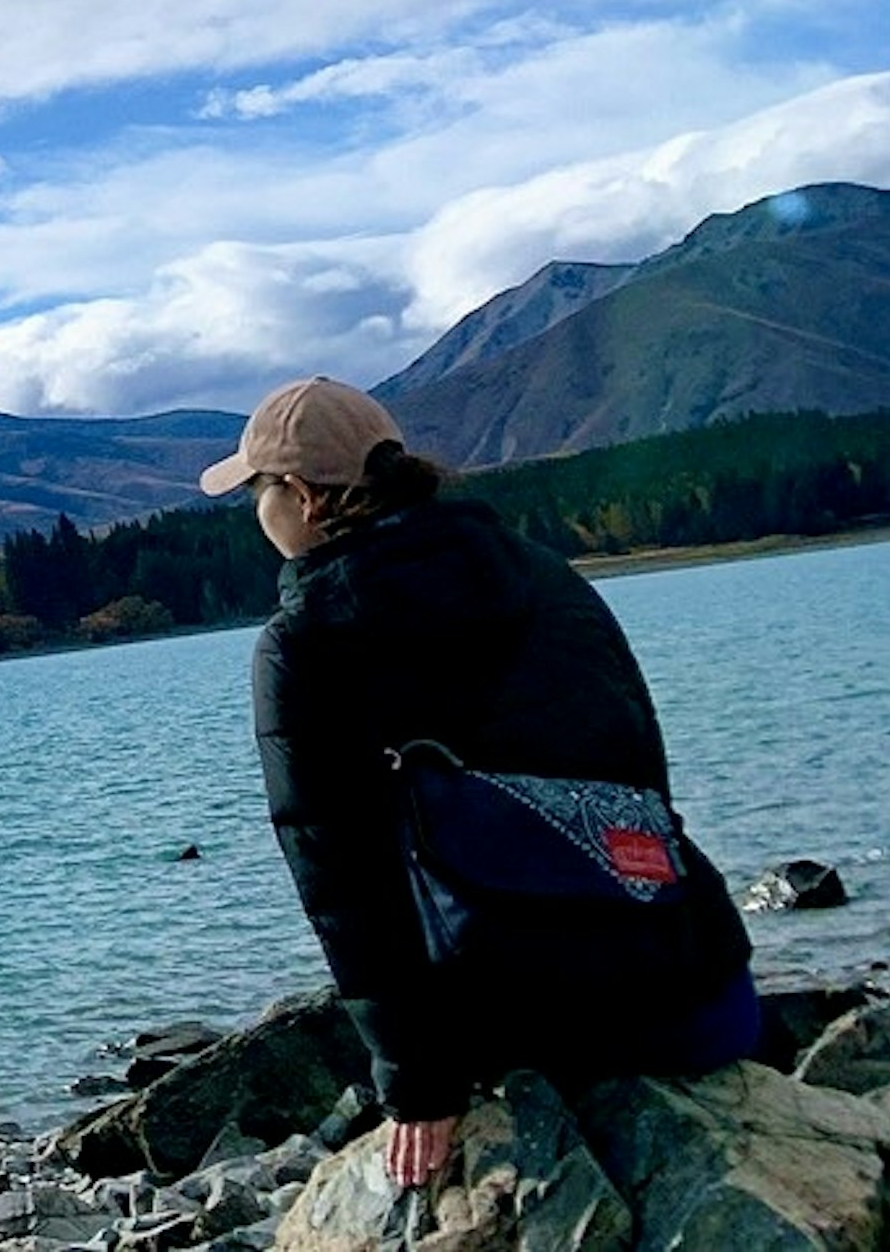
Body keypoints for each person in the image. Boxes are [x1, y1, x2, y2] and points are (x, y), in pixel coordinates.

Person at [207, 377, 758, 1189]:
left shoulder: (305, 641)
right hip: (700, 992)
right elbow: (643, 775)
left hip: (538, 1018)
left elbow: (341, 880)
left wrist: (417, 1081)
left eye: (258, 489)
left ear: (300, 497)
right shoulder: (543, 571)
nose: (258, 510)